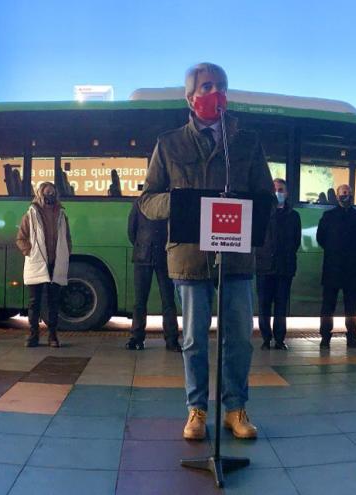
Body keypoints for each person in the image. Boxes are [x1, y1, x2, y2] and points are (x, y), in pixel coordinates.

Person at [139, 63, 272, 441]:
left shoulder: (246, 142)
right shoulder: (169, 143)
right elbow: (148, 200)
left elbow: (265, 196)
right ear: (190, 97)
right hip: (190, 257)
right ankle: (196, 410)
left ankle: (235, 409)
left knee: (240, 339)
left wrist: (259, 207)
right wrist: (181, 206)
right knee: (195, 339)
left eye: (222, 86)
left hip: (236, 256)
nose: (216, 92)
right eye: (207, 86)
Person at [16, 182, 72, 348]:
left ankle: (53, 336)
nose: (50, 196)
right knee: (35, 302)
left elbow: (67, 238)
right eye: (47, 192)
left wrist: (66, 252)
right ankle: (33, 336)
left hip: (56, 263)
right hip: (37, 262)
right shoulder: (30, 215)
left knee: (54, 302)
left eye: (52, 193)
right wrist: (30, 252)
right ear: (40, 194)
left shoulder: (61, 215)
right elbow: (21, 238)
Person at [317, 183, 356, 349]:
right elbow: (321, 238)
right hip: (332, 267)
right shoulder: (327, 216)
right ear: (337, 196)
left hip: (351, 268)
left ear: (352, 195)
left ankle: (352, 337)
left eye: (348, 193)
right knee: (327, 305)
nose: (345, 195)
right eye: (342, 193)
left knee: (351, 306)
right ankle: (325, 337)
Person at [125, 201, 180, 351]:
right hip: (163, 257)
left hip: (144, 255)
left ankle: (137, 338)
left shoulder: (139, 203)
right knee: (167, 301)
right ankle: (171, 340)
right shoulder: (167, 202)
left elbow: (132, 231)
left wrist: (141, 245)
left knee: (142, 301)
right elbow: (131, 231)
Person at [255, 178, 301, 350]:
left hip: (284, 267)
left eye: (281, 190)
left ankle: (280, 339)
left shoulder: (294, 216)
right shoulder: (263, 213)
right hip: (264, 266)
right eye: (275, 189)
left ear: (287, 193)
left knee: (281, 306)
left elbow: (296, 241)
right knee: (264, 305)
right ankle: (266, 339)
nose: (278, 193)